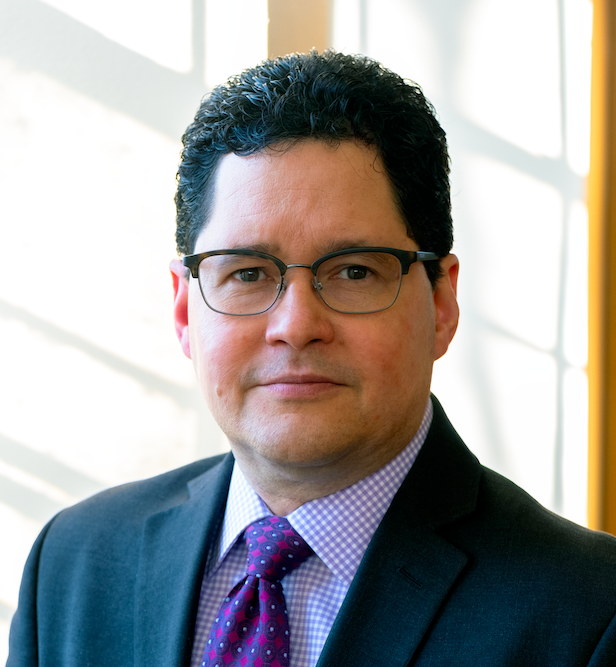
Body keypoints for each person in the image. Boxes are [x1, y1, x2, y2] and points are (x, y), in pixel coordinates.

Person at [7, 50, 616, 667]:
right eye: (247, 273)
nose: (296, 327)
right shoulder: (74, 564)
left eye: (354, 271)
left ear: (441, 304)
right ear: (186, 310)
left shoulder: (590, 614)